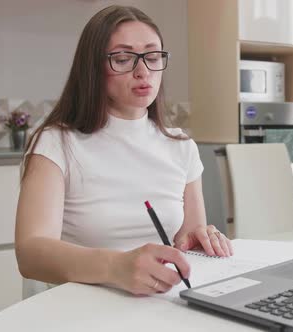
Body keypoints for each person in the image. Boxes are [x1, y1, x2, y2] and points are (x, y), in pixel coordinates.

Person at [15, 5, 232, 297]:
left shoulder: (181, 146)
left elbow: (188, 240)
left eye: (153, 57)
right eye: (123, 58)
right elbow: (30, 254)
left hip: (153, 305)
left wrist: (202, 240)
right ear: (92, 68)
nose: (143, 71)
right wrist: (116, 266)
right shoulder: (56, 143)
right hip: (75, 306)